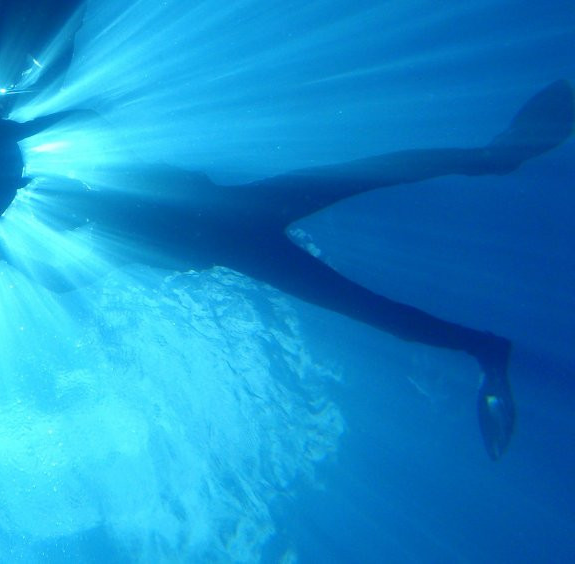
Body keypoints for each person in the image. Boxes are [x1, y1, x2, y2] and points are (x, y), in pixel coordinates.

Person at [31, 79, 574, 459]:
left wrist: (23, 136)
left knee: (378, 204)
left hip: (253, 223)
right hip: (253, 233)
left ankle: (483, 334)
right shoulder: (112, 224)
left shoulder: (113, 202)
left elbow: (88, 118)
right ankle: (482, 341)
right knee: (373, 260)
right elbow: (59, 278)